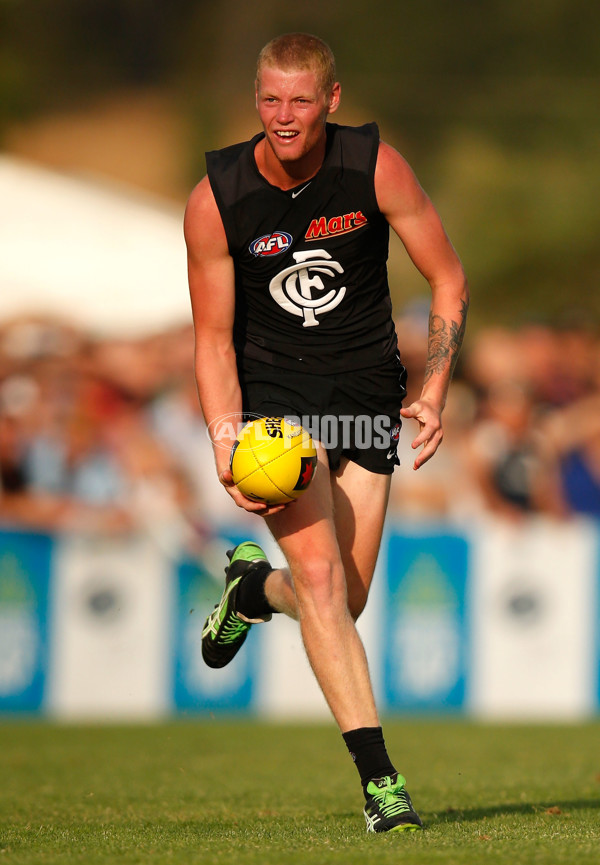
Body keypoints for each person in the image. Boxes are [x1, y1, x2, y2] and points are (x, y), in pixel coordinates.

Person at [184, 33, 468, 833]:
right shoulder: (217, 197)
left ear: (331, 102)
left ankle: (248, 590)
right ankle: (381, 782)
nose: (283, 117)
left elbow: (447, 277)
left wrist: (436, 387)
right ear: (255, 100)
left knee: (345, 596)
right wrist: (223, 441)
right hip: (277, 402)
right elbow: (210, 339)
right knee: (318, 584)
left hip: (368, 393)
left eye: (300, 100)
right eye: (269, 99)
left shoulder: (373, 167)